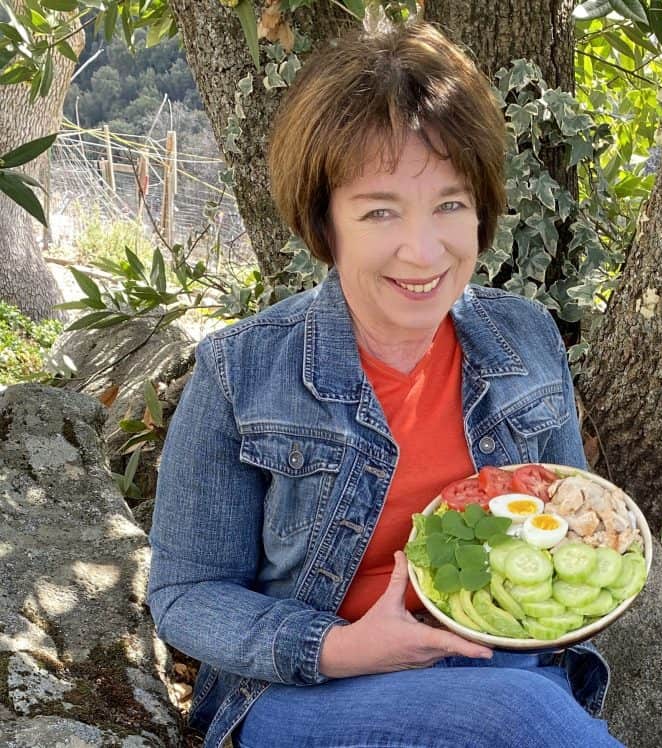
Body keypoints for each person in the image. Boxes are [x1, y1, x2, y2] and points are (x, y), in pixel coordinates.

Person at [147, 21, 622, 748]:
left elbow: (570, 514)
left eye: (449, 205)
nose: (423, 250)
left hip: (505, 654)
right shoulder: (240, 373)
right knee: (518, 718)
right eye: (379, 212)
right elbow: (185, 595)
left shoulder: (524, 339)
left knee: (518, 705)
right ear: (324, 222)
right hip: (314, 689)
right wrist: (344, 649)